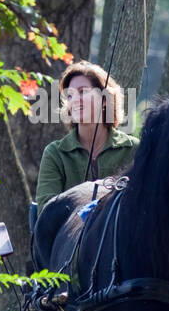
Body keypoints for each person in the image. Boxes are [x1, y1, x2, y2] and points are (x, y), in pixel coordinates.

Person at [35, 61, 138, 207]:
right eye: (69, 95)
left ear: (104, 99)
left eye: (83, 92)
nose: (75, 100)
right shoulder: (55, 153)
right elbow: (45, 212)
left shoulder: (133, 149)